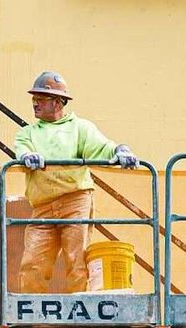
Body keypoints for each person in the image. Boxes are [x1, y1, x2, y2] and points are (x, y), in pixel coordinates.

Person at [14, 72, 139, 293]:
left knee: (77, 260)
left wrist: (121, 150)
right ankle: (31, 312)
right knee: (33, 262)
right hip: (42, 206)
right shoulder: (28, 133)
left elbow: (102, 147)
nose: (35, 103)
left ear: (58, 102)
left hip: (75, 201)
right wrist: (26, 157)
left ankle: (79, 310)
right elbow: (22, 150)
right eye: (34, 98)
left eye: (41, 98)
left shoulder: (79, 128)